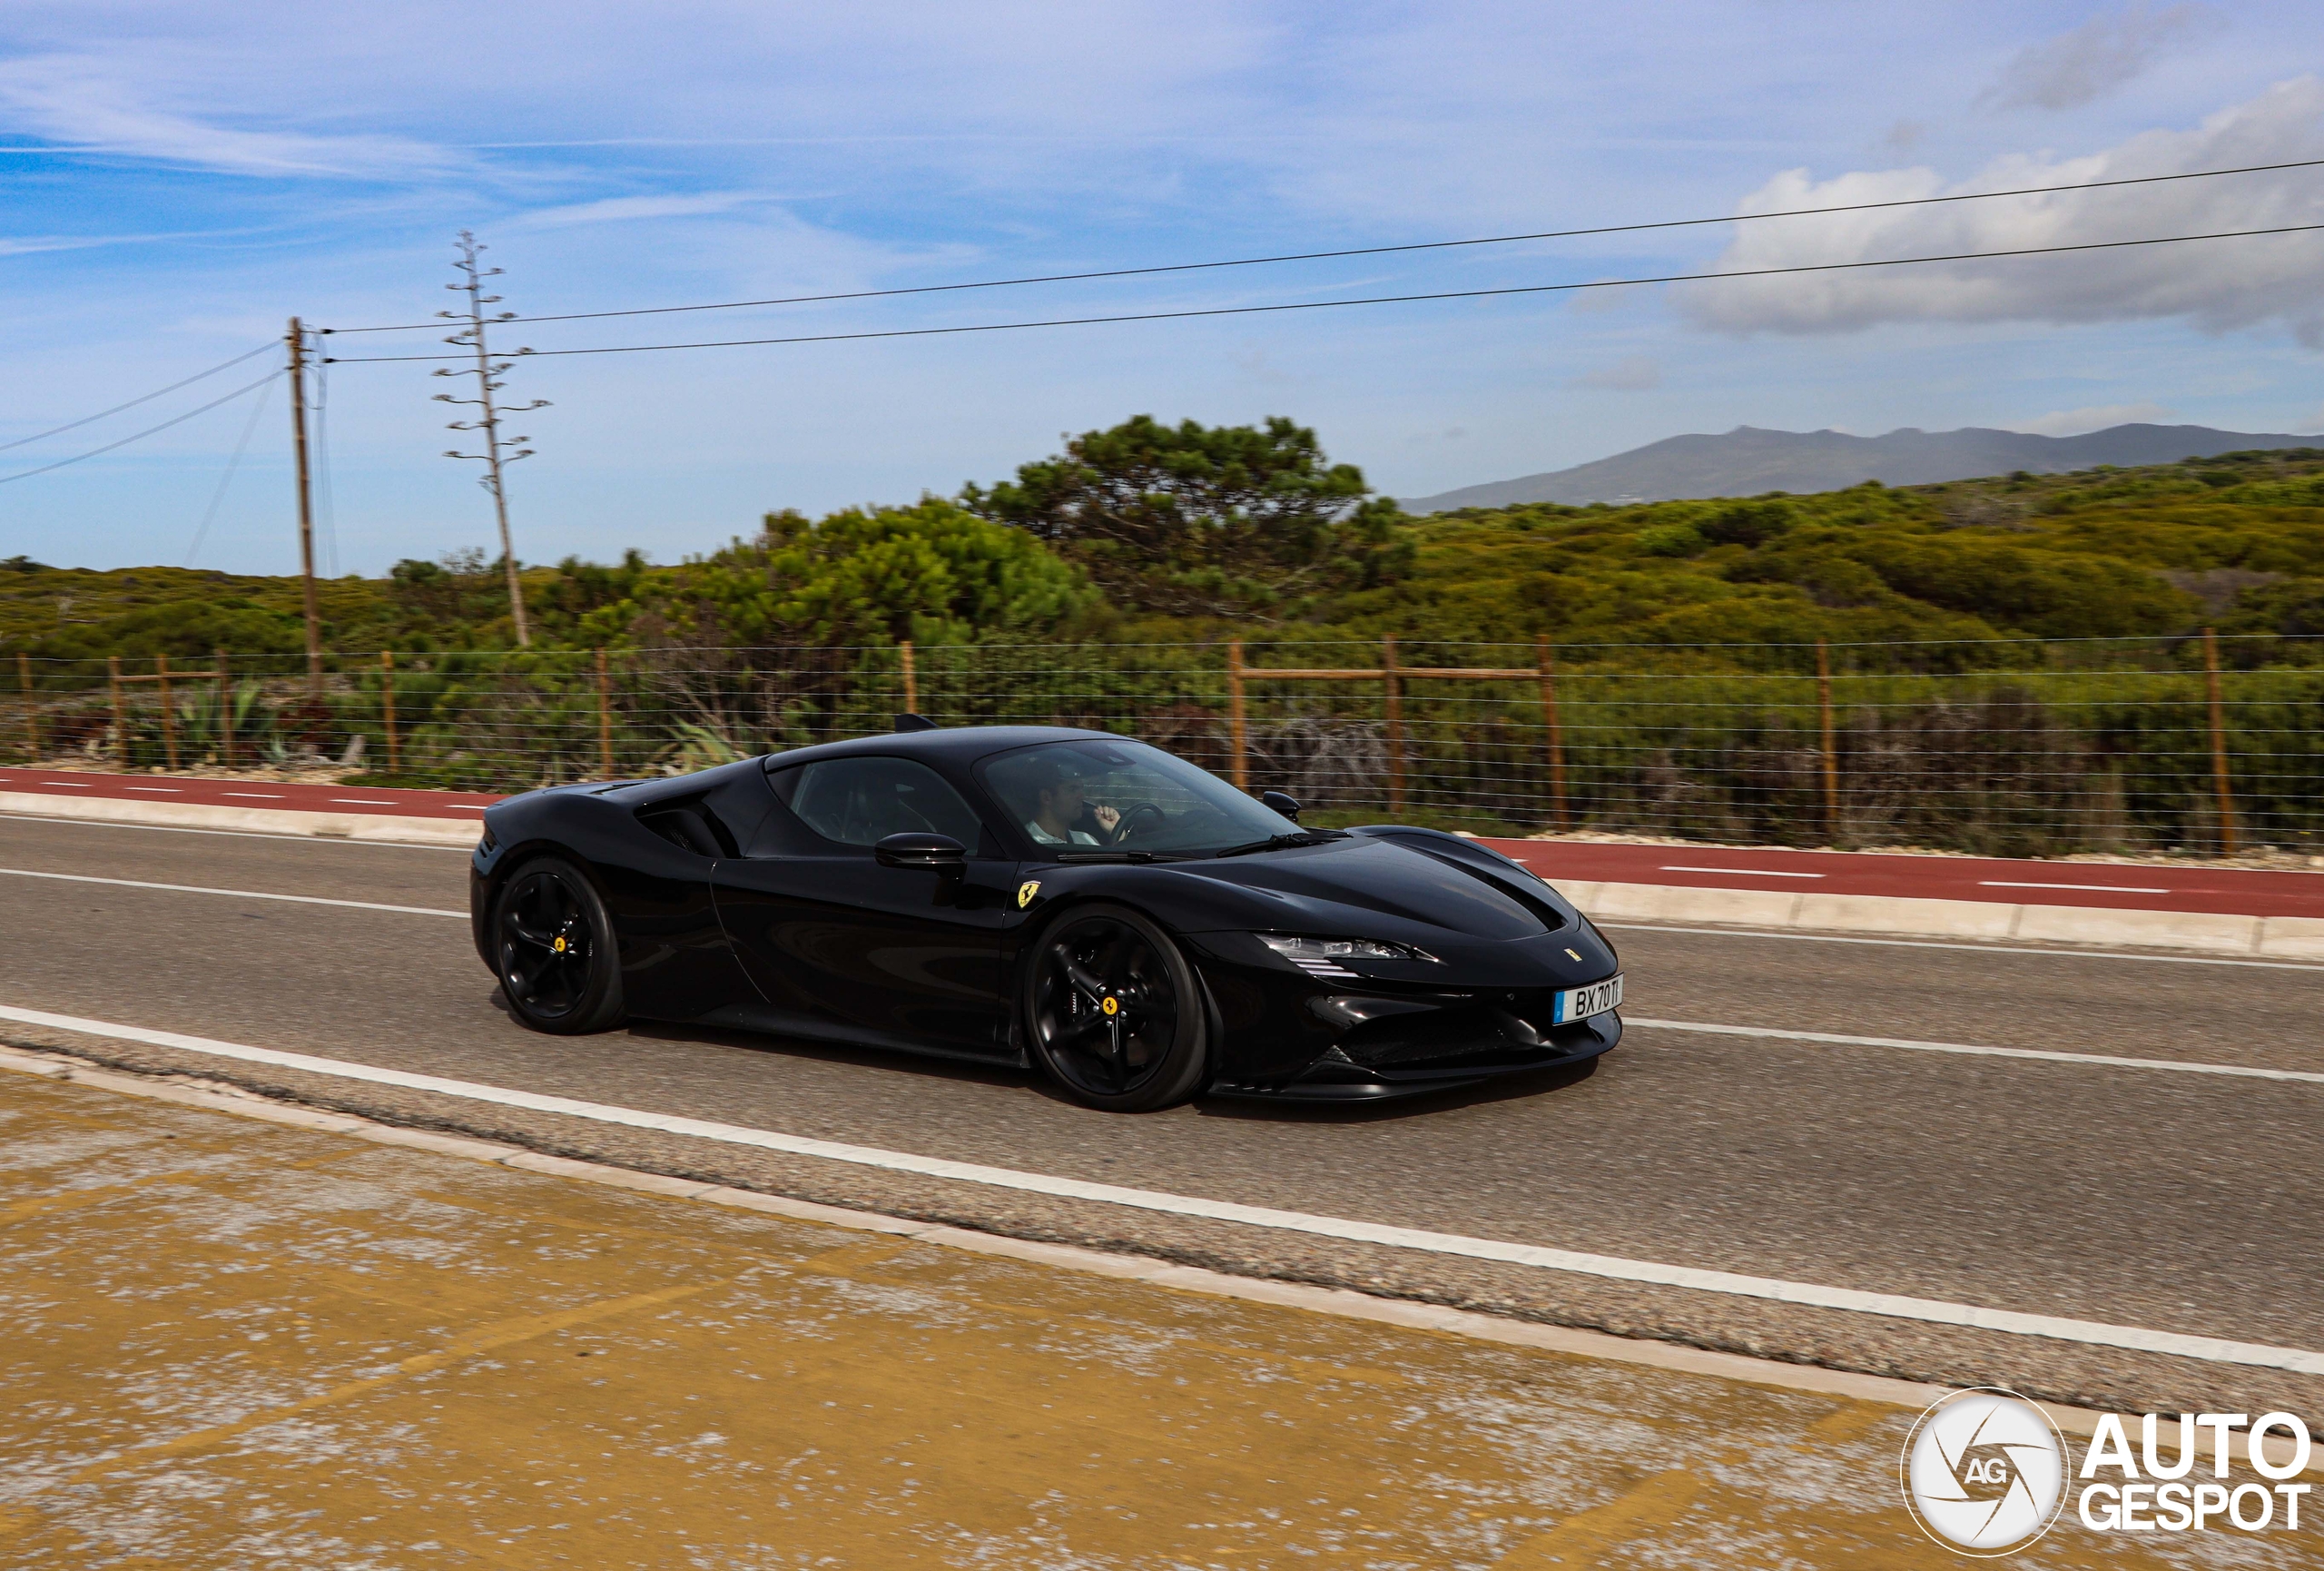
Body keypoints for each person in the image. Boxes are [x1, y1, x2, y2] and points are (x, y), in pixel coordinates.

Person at [1019, 755, 1120, 846]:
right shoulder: (1026, 844)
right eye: (1072, 789)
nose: (1082, 796)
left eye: (1081, 788)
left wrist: (1117, 832)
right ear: (1046, 797)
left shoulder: (1085, 840)